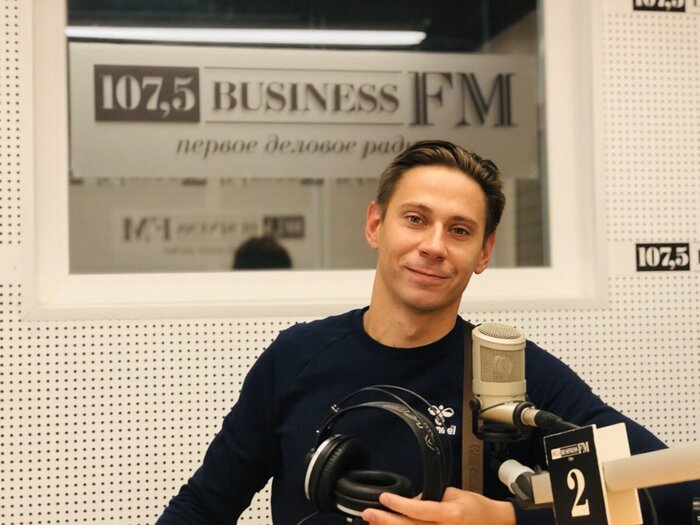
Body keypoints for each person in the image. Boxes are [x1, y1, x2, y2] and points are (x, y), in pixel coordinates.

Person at [157, 141, 699, 525]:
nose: (434, 246)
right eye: (415, 219)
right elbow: (204, 506)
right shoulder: (296, 357)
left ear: (483, 252)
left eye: (459, 230)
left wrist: (506, 520)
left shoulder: (510, 374)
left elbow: (676, 492)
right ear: (376, 225)